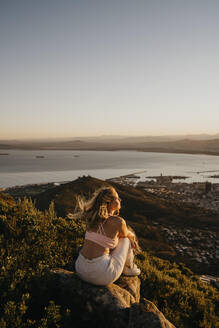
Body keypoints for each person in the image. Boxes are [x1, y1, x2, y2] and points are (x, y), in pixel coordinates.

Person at [74, 186, 141, 286]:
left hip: (80, 269)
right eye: (117, 198)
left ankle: (126, 267)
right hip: (101, 275)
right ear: (110, 202)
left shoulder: (92, 218)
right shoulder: (118, 222)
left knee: (116, 238)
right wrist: (131, 237)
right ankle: (128, 268)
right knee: (126, 240)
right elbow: (127, 235)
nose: (120, 200)